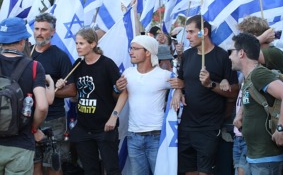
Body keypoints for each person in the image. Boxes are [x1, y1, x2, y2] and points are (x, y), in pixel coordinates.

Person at [171, 15, 239, 175]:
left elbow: (235, 91)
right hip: (187, 124)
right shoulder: (187, 55)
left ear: (205, 32)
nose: (187, 36)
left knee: (205, 171)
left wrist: (211, 85)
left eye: (191, 32)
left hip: (209, 126)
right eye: (187, 32)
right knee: (188, 170)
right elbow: (182, 81)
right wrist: (178, 90)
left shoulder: (222, 56)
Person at [56, 27, 122, 175]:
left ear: (92, 44)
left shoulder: (107, 64)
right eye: (76, 43)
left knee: (112, 169)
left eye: (81, 43)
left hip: (105, 127)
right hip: (83, 127)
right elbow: (74, 96)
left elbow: (119, 94)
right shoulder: (78, 65)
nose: (77, 47)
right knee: (90, 170)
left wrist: (114, 117)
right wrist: (60, 84)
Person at [228, 32, 283, 174]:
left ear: (241, 53)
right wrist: (240, 115)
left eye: (231, 52)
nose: (229, 56)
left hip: (266, 159)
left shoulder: (259, 74)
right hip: (253, 155)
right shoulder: (249, 78)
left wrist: (281, 130)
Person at [115, 35, 180, 175]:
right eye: (131, 48)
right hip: (133, 136)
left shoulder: (163, 75)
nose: (131, 52)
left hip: (156, 136)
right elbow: (122, 94)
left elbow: (180, 84)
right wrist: (114, 115)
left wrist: (177, 92)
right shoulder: (128, 73)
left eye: (135, 49)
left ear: (148, 52)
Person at [0, 17, 48, 175]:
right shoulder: (34, 66)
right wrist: (33, 129)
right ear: (22, 41)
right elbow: (41, 106)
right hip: (20, 144)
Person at [31, 13, 77, 175]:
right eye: (36, 29)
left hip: (53, 119)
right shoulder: (27, 53)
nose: (39, 33)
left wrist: (46, 91)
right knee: (33, 163)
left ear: (53, 32)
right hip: (29, 118)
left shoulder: (60, 56)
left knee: (53, 164)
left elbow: (72, 90)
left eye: (44, 29)